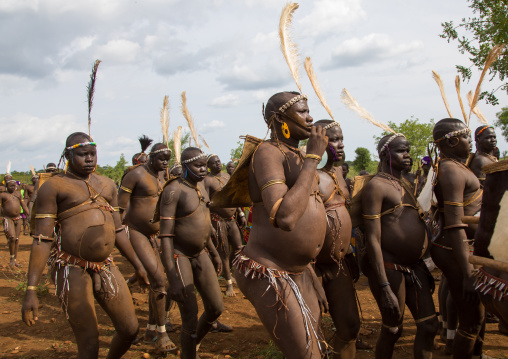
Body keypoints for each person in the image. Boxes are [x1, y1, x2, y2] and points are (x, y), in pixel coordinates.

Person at [21, 132, 150, 359]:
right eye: (83, 154)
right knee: (89, 344)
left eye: (93, 154)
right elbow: (42, 239)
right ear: (69, 155)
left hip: (105, 266)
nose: (89, 159)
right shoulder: (54, 187)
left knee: (129, 330)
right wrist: (31, 290)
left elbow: (119, 230)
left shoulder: (108, 185)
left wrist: (138, 266)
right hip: (71, 267)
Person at [233, 91, 328, 359]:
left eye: (310, 111)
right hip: (270, 270)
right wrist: (312, 159)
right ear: (280, 119)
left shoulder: (295, 154)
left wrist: (309, 270)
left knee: (316, 348)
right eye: (302, 112)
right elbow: (285, 218)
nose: (310, 118)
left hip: (299, 271)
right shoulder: (267, 152)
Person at [362, 133, 439, 359]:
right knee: (394, 330)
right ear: (386, 154)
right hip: (390, 268)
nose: (408, 155)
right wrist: (384, 286)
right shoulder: (377, 186)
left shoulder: (403, 182)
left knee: (429, 326)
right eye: (401, 151)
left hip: (415, 268)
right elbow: (373, 238)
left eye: (408, 150)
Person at [157, 147, 224, 359]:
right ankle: (188, 353)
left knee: (215, 308)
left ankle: (194, 341)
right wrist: (173, 277)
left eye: (205, 165)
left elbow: (204, 224)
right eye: (198, 165)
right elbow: (165, 237)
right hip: (180, 255)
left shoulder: (202, 186)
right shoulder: (173, 190)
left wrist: (213, 252)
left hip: (201, 252)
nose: (203, 169)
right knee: (190, 317)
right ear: (185, 166)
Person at [430, 118, 483, 359]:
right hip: (454, 249)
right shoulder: (450, 170)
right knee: (471, 319)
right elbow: (454, 224)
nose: (470, 142)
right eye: (466, 137)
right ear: (452, 141)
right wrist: (468, 274)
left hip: (460, 249)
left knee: (475, 316)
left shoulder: (457, 166)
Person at [118, 142, 177, 354]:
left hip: (158, 234)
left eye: (167, 159)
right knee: (159, 280)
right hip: (137, 232)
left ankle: (151, 329)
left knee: (161, 280)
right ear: (151, 157)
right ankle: (161, 334)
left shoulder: (164, 175)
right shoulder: (135, 175)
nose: (164, 162)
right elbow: (119, 208)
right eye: (161, 158)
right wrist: (120, 236)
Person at [313, 120, 360, 358]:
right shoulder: (308, 175)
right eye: (334, 139)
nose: (340, 145)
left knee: (350, 326)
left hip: (338, 263)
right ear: (319, 141)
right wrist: (310, 272)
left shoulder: (340, 173)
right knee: (310, 335)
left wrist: (350, 254)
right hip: (311, 268)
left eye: (341, 138)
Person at [204, 154, 245, 297]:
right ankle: (228, 282)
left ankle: (237, 275)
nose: (217, 164)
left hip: (231, 219)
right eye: (213, 163)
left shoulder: (227, 176)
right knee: (224, 252)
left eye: (218, 161)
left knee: (239, 248)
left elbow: (234, 196)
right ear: (208, 165)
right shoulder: (207, 181)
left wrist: (240, 213)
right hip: (217, 221)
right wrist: (209, 223)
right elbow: (205, 203)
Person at [0, 177, 29, 267]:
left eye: (14, 185)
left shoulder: (18, 194)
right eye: (11, 185)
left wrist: (28, 215)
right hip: (7, 218)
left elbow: (23, 205)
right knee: (12, 237)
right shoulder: (2, 195)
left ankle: (14, 260)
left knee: (16, 239)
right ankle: (12, 258)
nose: (13, 187)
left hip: (18, 218)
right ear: (6, 186)